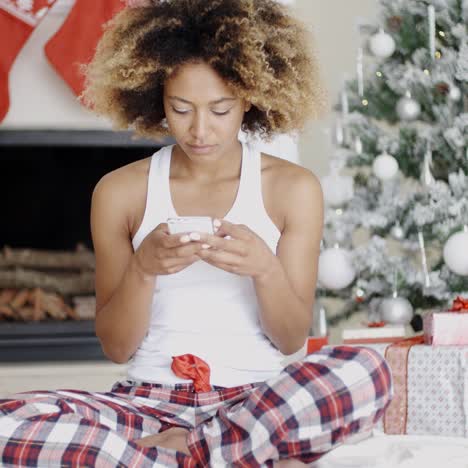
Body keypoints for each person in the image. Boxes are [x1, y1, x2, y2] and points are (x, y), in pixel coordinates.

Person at [0, 1, 392, 466]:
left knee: (367, 371)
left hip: (254, 404)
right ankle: (232, 457)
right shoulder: (119, 192)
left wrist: (264, 268)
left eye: (220, 109)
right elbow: (116, 346)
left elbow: (290, 341)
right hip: (145, 407)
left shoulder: (292, 188)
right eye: (180, 109)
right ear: (155, 96)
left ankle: (192, 452)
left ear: (248, 97)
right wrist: (143, 268)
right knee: (9, 420)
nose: (200, 130)